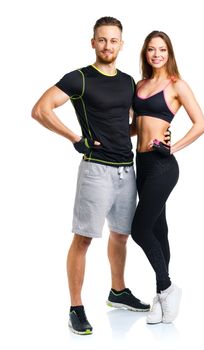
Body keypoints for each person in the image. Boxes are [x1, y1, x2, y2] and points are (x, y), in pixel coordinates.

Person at [31, 17, 170, 335]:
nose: (108, 45)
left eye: (114, 40)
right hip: (95, 170)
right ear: (93, 42)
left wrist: (157, 133)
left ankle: (117, 291)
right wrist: (74, 138)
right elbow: (41, 109)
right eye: (102, 40)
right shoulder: (78, 78)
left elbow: (128, 127)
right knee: (83, 239)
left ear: (121, 44)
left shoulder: (127, 82)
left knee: (121, 235)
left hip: (127, 169)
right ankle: (76, 308)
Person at [131, 30, 204, 325]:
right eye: (151, 50)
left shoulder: (177, 85)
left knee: (140, 229)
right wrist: (106, 133)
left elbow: (201, 124)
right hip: (142, 164)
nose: (156, 54)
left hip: (163, 167)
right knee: (158, 230)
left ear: (169, 53)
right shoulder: (140, 85)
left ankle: (166, 288)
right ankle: (161, 297)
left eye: (162, 49)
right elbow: (135, 127)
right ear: (145, 53)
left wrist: (171, 146)